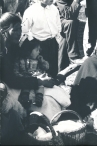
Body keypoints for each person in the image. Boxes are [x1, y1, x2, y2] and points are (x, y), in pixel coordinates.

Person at [0, 12, 55, 145]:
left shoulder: (11, 46)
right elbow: (11, 79)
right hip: (7, 86)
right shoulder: (1, 52)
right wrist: (38, 82)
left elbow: (24, 57)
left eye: (20, 29)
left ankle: (43, 125)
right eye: (16, 29)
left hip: (15, 81)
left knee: (51, 94)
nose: (19, 33)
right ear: (4, 30)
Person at [21, 0, 61, 78]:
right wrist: (34, 42)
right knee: (42, 69)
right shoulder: (31, 11)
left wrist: (57, 39)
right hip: (39, 45)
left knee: (53, 67)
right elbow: (25, 30)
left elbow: (58, 25)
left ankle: (54, 85)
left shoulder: (54, 9)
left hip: (53, 43)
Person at [14, 39, 49, 108]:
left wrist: (42, 61)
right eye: (37, 50)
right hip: (26, 78)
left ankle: (39, 99)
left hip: (36, 77)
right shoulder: (20, 60)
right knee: (26, 85)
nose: (39, 52)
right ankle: (25, 98)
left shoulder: (38, 60)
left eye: (39, 50)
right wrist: (21, 76)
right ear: (29, 50)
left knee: (40, 85)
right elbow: (16, 71)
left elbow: (46, 67)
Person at [55, 0, 85, 71]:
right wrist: (76, 1)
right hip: (57, 23)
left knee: (63, 47)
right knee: (70, 23)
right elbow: (68, 15)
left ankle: (60, 76)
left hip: (68, 27)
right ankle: (73, 55)